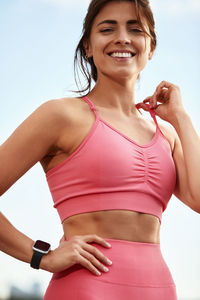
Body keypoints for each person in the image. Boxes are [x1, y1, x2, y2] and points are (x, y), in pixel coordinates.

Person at [0, 0, 200, 299]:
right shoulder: (61, 116)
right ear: (88, 47)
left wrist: (182, 118)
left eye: (135, 29)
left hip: (159, 289)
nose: (122, 37)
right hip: (85, 287)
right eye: (108, 29)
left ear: (151, 47)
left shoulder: (167, 133)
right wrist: (41, 255)